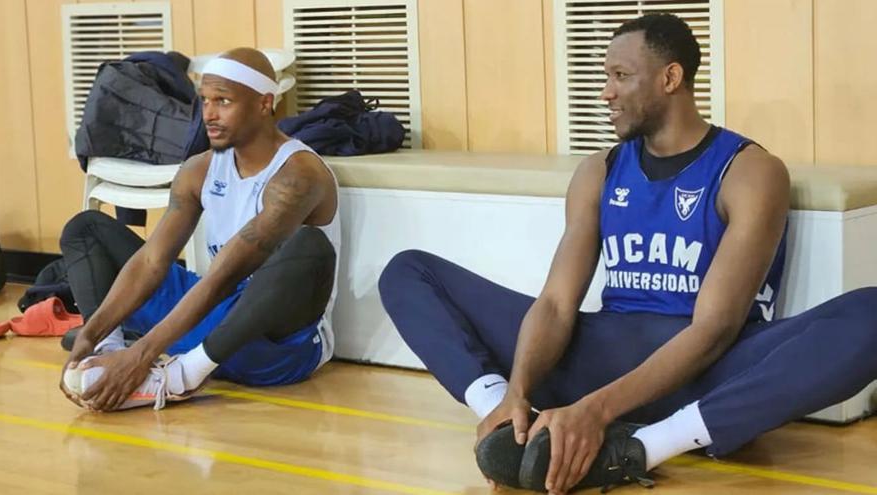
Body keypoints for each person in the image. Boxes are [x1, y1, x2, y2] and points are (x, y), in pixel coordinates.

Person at [378, 13, 877, 494]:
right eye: (606, 76)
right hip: (602, 356)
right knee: (409, 272)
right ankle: (510, 423)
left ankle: (640, 448)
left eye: (621, 76)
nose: (606, 92)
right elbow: (555, 304)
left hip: (707, 374)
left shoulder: (749, 171)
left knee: (871, 313)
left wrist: (595, 411)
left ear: (670, 77)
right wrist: (518, 391)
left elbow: (714, 330)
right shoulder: (598, 171)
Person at [59, 47, 341, 412]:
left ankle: (179, 377)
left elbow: (225, 275)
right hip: (209, 312)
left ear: (263, 104)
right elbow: (151, 261)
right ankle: (110, 356)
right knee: (86, 229)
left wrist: (145, 353)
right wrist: (92, 332)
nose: (209, 113)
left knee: (309, 245)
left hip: (272, 345)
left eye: (223, 101)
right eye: (205, 100)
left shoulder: (298, 175)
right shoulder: (199, 168)